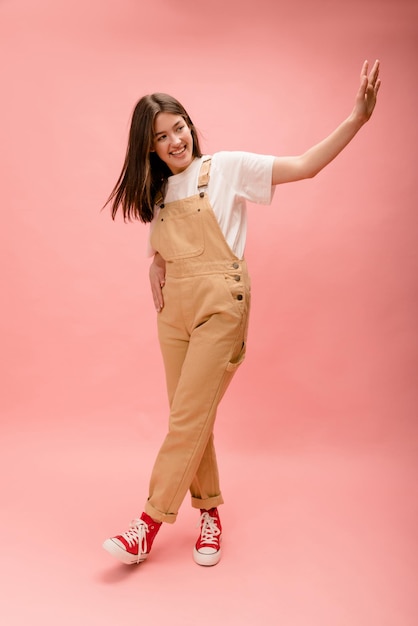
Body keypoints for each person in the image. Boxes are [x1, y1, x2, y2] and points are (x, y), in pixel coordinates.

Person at [102, 60, 381, 567]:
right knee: (190, 417)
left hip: (220, 307)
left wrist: (356, 118)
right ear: (149, 147)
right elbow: (164, 249)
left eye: (179, 127)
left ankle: (146, 526)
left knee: (187, 417)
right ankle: (209, 513)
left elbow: (305, 166)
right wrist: (156, 265)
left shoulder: (224, 169)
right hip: (174, 316)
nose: (175, 141)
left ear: (190, 125)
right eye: (162, 137)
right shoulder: (160, 194)